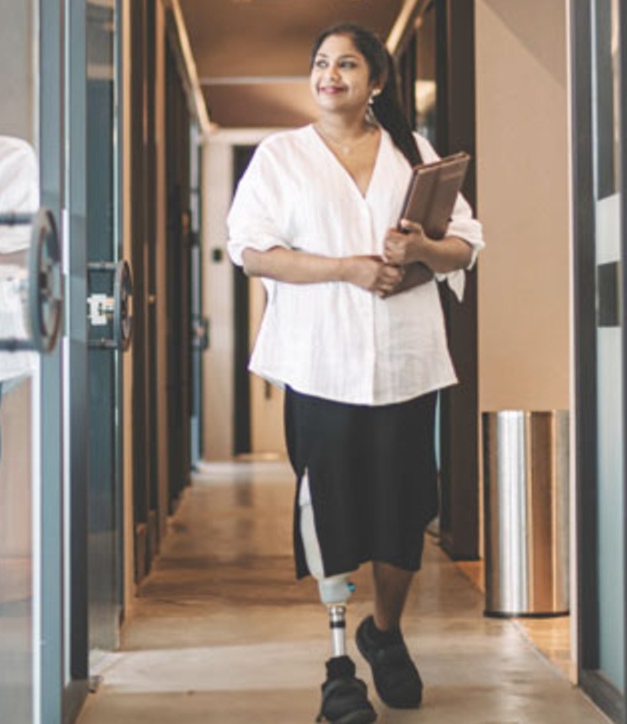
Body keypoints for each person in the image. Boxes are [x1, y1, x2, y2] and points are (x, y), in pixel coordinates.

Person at [226, 23, 484, 724]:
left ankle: (385, 632)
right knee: (332, 512)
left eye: (346, 64)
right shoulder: (281, 157)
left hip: (406, 360)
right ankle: (340, 668)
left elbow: (465, 246)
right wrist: (346, 267)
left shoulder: (414, 153)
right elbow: (251, 252)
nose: (329, 74)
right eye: (319, 63)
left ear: (376, 82)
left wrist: (423, 246)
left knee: (403, 512)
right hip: (320, 362)